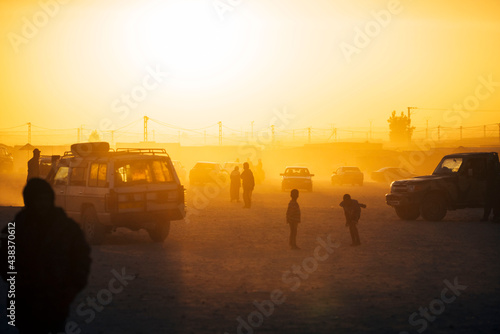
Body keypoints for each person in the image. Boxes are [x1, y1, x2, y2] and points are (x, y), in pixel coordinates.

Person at [0, 178, 91, 334]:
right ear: (29, 201)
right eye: (37, 200)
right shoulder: (15, 229)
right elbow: (5, 264)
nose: (42, 204)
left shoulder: (66, 228)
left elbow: (81, 259)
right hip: (25, 302)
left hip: (55, 301)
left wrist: (71, 289)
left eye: (45, 199)